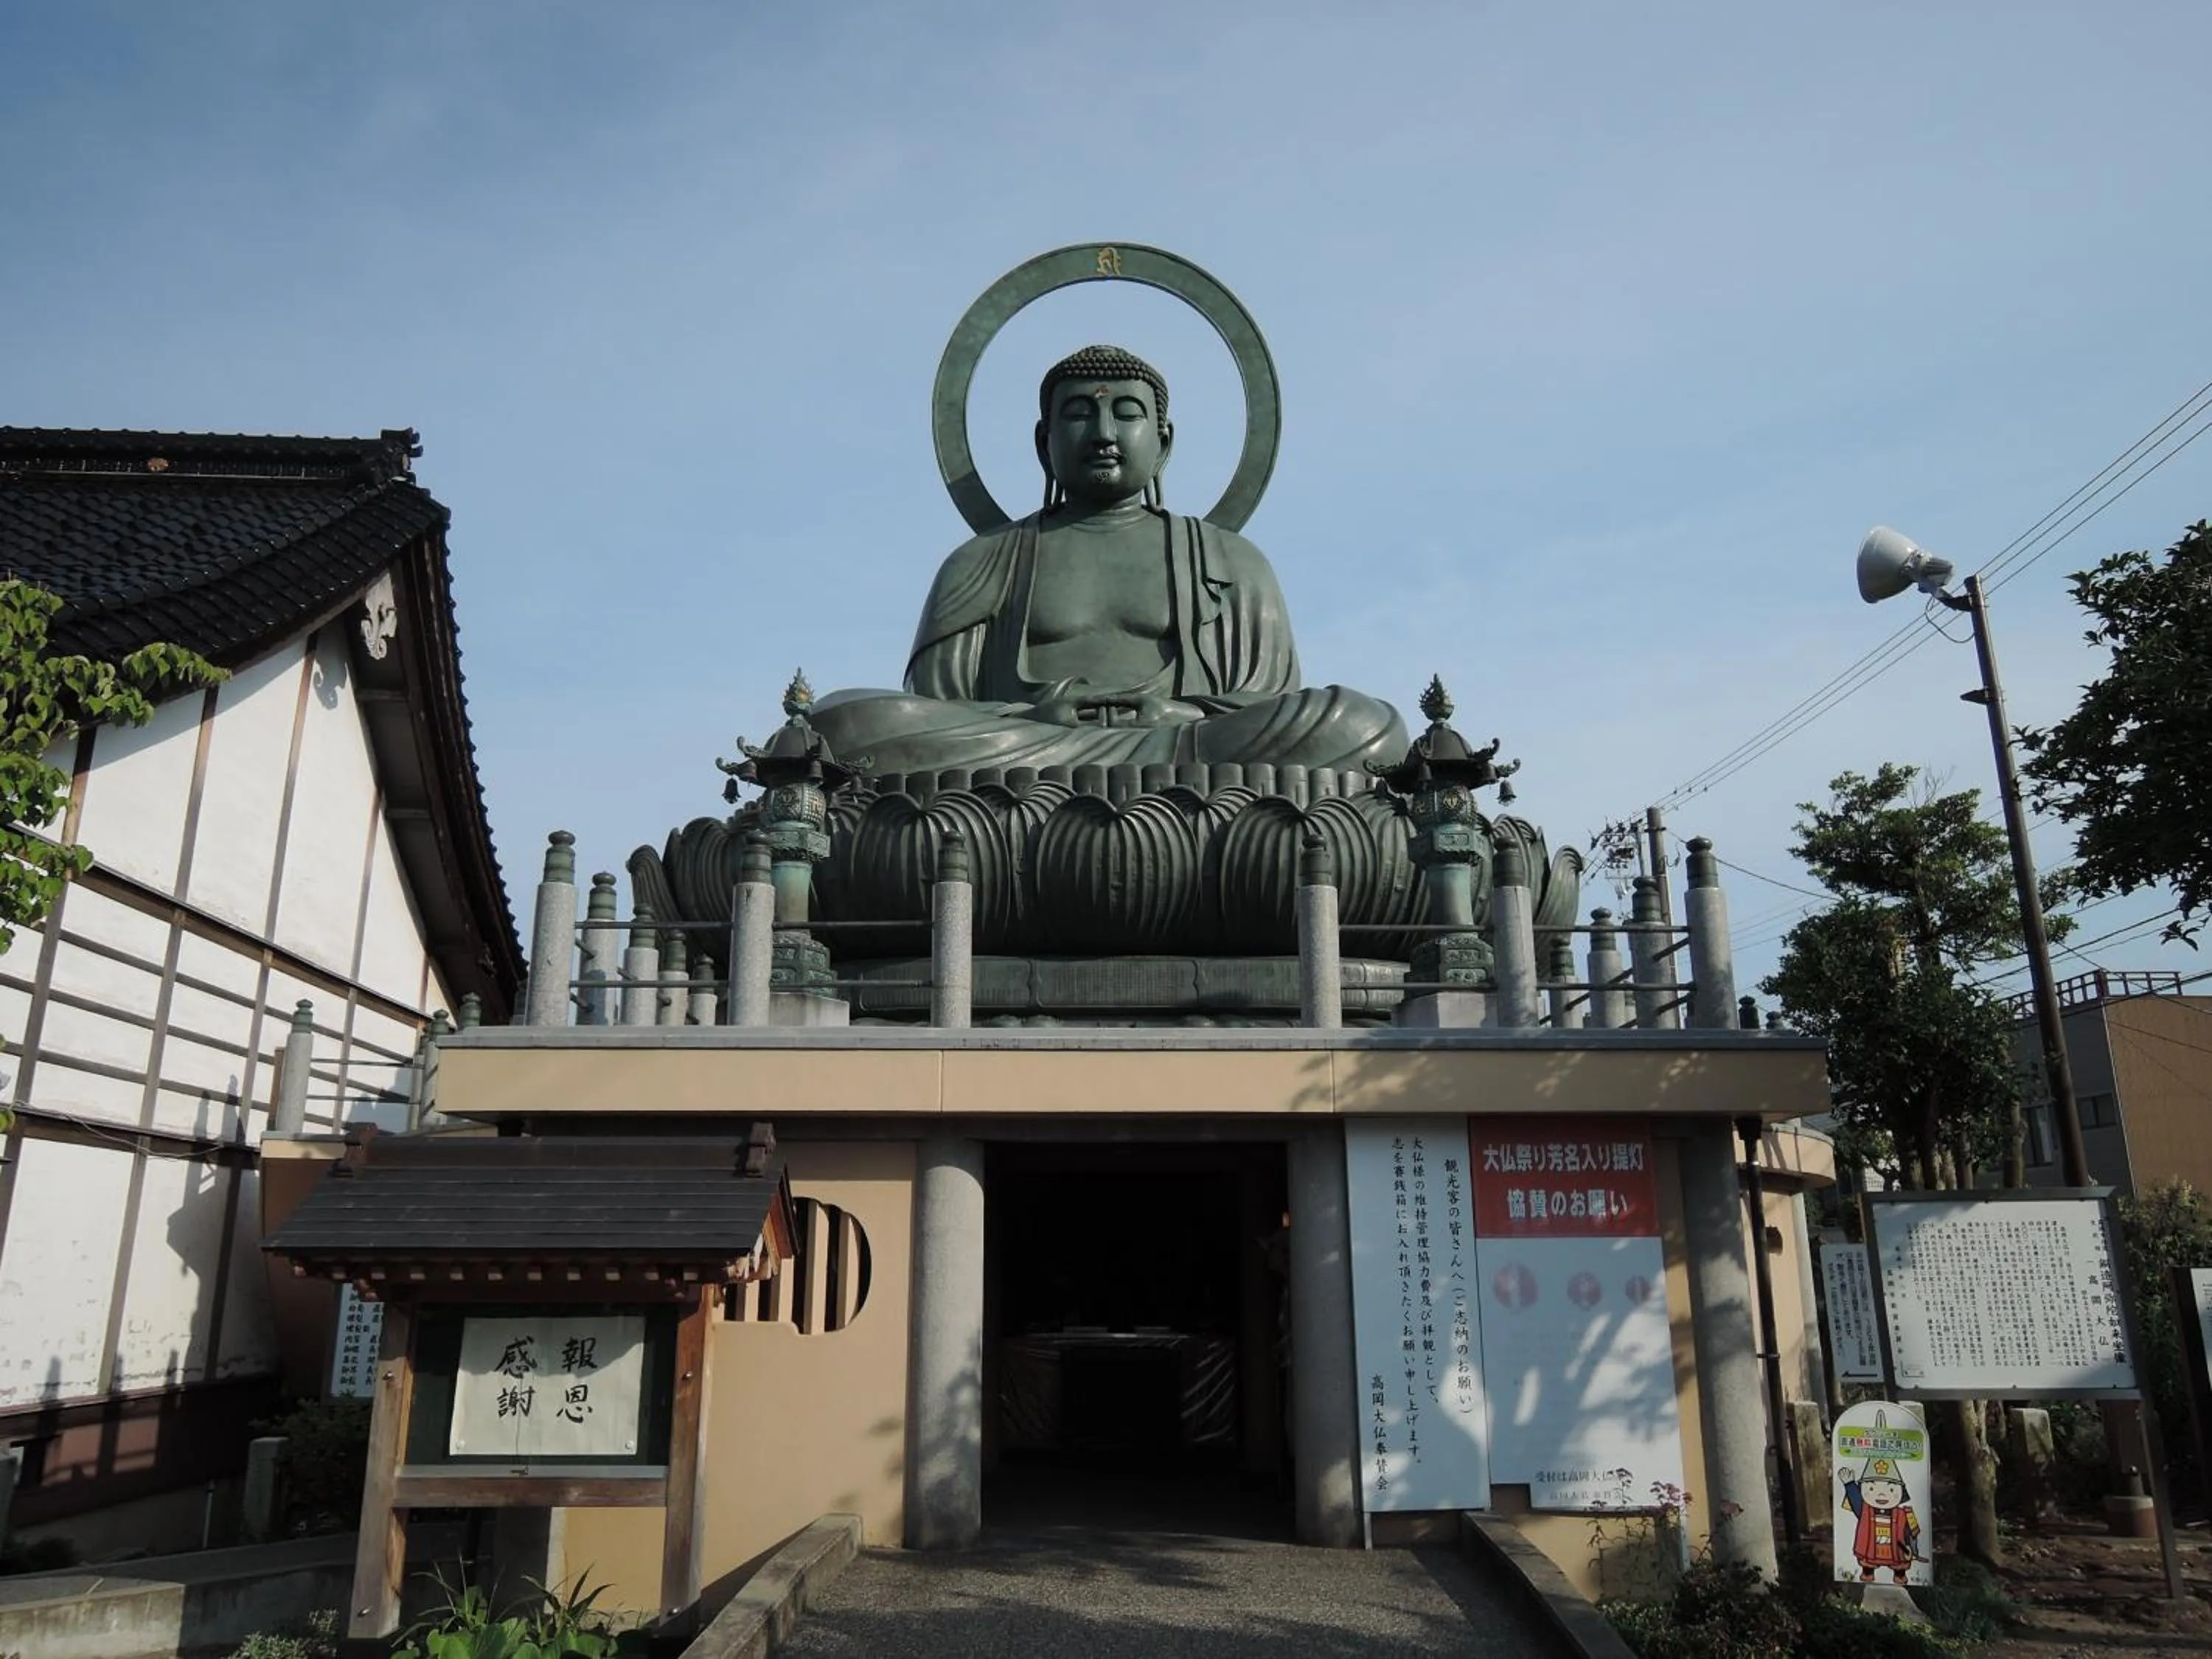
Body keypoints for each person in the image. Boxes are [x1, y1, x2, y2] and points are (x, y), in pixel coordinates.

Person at [810, 345, 1405, 775]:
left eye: (1126, 413)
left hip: (1188, 751)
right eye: (1078, 414)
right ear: (1044, 442)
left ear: (1164, 441)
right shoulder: (983, 561)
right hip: (1021, 755)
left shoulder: (1230, 558)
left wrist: (1179, 714)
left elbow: (1267, 699)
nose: (1102, 432)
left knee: (1365, 727)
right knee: (840, 726)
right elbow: (937, 709)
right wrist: (1036, 713)